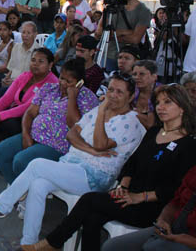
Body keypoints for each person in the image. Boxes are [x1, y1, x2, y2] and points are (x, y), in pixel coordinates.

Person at [0, 75, 147, 247]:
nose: (112, 95)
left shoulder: (130, 121)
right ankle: (28, 244)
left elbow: (101, 144)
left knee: (37, 165)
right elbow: (71, 135)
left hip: (94, 176)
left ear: (131, 96)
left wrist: (101, 114)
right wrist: (90, 149)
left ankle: (1, 205)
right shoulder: (97, 111)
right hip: (72, 165)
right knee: (38, 185)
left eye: (119, 92)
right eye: (110, 90)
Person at [32, 84, 196, 251]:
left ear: (182, 107)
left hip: (152, 208)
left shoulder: (189, 145)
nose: (161, 107)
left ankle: (52, 243)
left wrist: (139, 197)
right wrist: (122, 186)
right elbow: (132, 164)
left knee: (89, 200)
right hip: (127, 197)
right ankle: (53, 243)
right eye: (158, 102)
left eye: (167, 102)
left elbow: (175, 188)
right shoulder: (154, 132)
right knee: (92, 218)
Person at [0, 58, 99, 186]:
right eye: (61, 78)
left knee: (20, 161)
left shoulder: (87, 98)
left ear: (80, 83)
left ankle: (20, 192)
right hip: (34, 135)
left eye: (69, 81)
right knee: (0, 152)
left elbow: (74, 124)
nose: (63, 83)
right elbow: (30, 113)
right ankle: (19, 191)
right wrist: (26, 135)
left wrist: (72, 98)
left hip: (57, 144)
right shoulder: (49, 88)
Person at [0, 48, 58, 192]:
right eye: (33, 60)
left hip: (32, 123)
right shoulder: (25, 76)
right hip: (12, 120)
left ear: (50, 65)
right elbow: (5, 99)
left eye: (41, 61)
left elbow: (27, 108)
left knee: (5, 124)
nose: (35, 64)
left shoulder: (52, 83)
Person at [101, 164, 196, 251]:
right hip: (173, 228)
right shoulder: (193, 171)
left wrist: (189, 241)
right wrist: (164, 219)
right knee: (112, 246)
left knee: (153, 247)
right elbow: (175, 202)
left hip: (190, 240)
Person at [95, 0, 152, 72]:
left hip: (129, 59)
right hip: (107, 56)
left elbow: (135, 39)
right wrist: (125, 32)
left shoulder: (143, 11)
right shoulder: (111, 6)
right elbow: (99, 33)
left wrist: (111, 34)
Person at [132, 60, 162, 129]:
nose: (137, 77)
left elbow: (150, 124)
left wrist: (130, 112)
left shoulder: (161, 93)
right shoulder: (131, 89)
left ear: (154, 76)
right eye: (134, 74)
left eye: (142, 74)